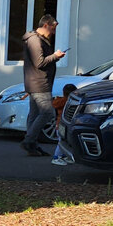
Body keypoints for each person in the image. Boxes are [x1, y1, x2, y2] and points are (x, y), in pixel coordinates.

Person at [20, 14, 66, 156]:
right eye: (52, 28)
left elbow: (42, 61)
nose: (53, 32)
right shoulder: (35, 40)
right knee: (48, 113)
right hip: (40, 84)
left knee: (34, 115)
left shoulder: (38, 40)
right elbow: (39, 63)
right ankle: (29, 141)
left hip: (36, 82)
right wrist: (55, 56)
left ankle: (32, 146)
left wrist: (54, 58)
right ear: (46, 25)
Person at [51, 83, 78, 166]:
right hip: (62, 125)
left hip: (60, 125)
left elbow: (54, 103)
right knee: (62, 142)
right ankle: (56, 157)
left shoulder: (60, 100)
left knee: (65, 141)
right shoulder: (67, 101)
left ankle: (63, 156)